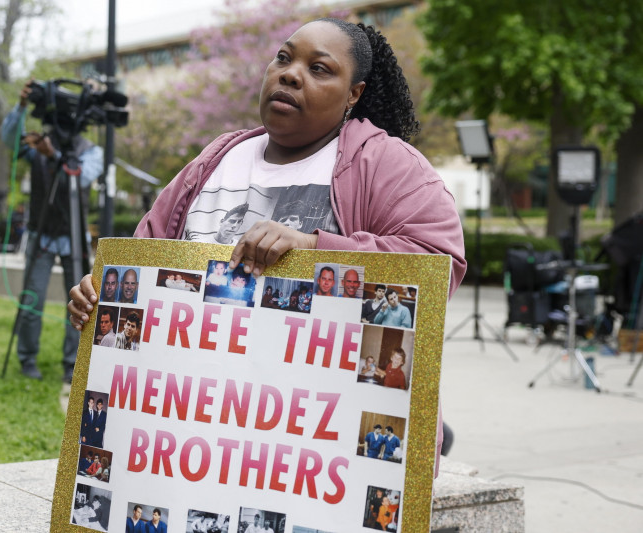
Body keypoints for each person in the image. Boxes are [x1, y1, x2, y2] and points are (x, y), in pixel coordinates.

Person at [69, 17, 466, 469]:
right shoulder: (217, 159)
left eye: (319, 69)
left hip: (314, 452)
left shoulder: (384, 161)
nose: (290, 73)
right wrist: (101, 290)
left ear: (353, 93)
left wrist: (315, 248)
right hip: (191, 436)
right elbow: (144, 257)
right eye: (283, 57)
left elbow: (438, 266)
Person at [0, 80, 104, 384]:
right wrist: (21, 106)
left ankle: (72, 364)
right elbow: (9, 139)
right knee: (32, 299)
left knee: (81, 302)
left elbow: (81, 177)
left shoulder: (90, 151)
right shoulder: (37, 146)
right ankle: (27, 358)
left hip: (73, 235)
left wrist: (52, 153)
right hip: (42, 234)